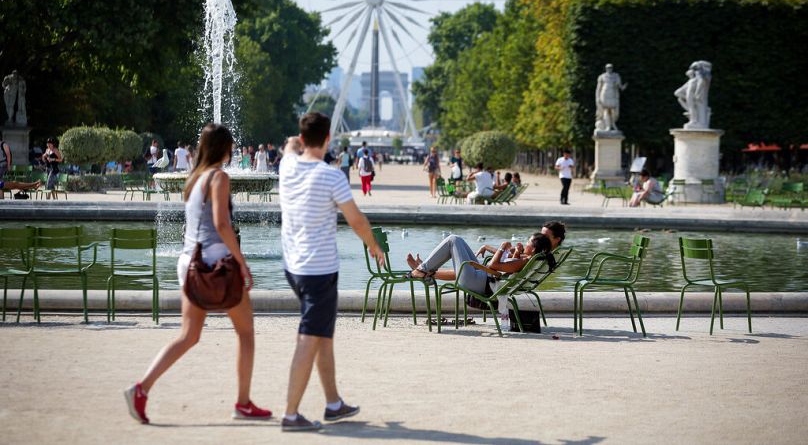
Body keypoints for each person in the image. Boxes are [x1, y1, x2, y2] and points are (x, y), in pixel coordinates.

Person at [124, 124, 269, 425]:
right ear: (224, 148)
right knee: (246, 332)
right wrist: (241, 261)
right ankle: (243, 403)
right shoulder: (219, 177)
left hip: (189, 261)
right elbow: (222, 224)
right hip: (215, 262)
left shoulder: (194, 178)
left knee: (189, 336)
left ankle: (141, 388)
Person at [278, 112, 384, 432]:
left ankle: (334, 403)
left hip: (293, 266)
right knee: (309, 338)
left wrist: (294, 142)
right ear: (328, 139)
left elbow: (288, 146)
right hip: (318, 271)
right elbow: (356, 220)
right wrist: (373, 245)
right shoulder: (331, 176)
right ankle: (291, 414)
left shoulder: (287, 166)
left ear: (303, 138)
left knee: (323, 335)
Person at [404, 221, 566, 294]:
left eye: (529, 242)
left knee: (453, 240)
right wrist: (515, 253)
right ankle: (426, 270)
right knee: (458, 241)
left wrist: (502, 248)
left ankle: (423, 269)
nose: (526, 242)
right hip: (483, 278)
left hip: (480, 282)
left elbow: (496, 266)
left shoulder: (529, 259)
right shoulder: (535, 258)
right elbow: (509, 268)